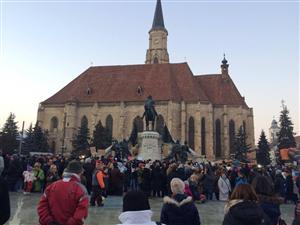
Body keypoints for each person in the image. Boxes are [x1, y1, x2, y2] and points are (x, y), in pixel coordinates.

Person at [37, 160, 89, 225]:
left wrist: (48, 221)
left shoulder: (52, 186)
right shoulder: (81, 189)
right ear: (80, 172)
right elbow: (82, 212)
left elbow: (42, 205)